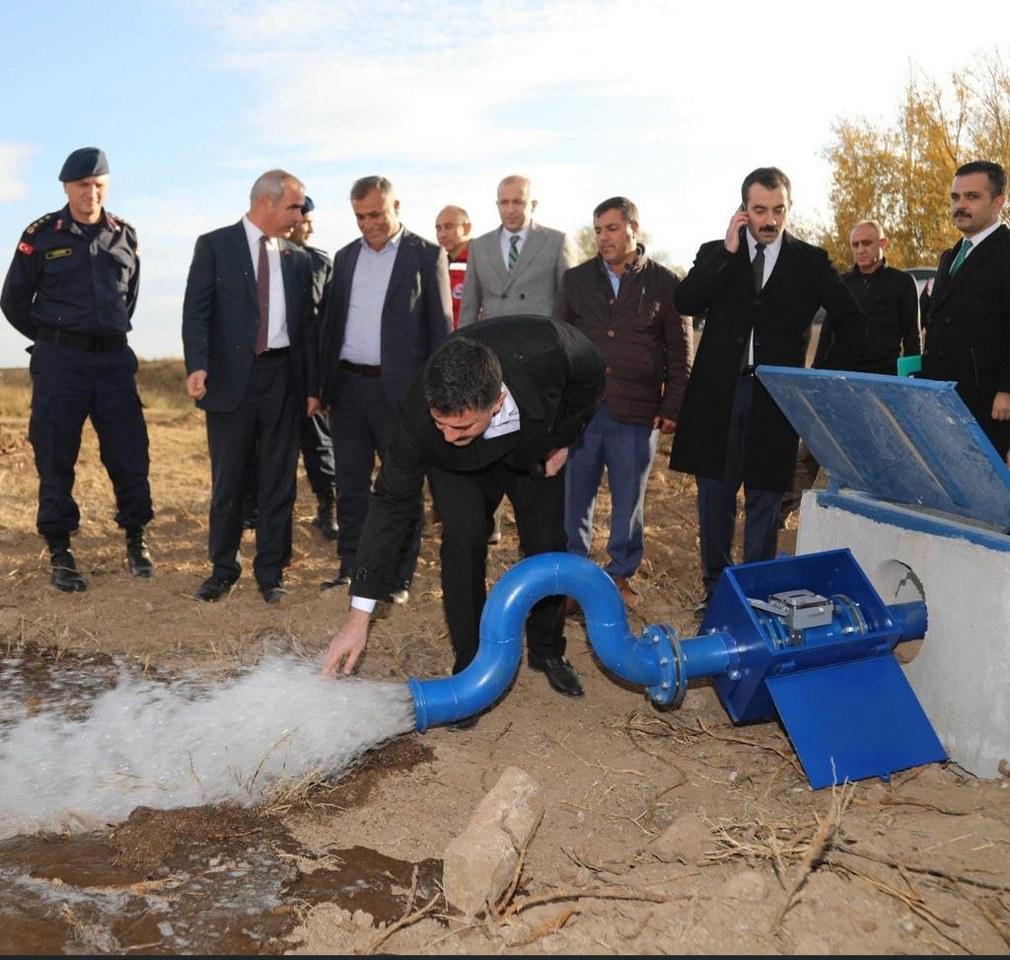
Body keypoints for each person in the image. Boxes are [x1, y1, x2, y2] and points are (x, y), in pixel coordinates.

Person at [321, 318, 604, 713]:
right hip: (455, 469)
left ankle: (547, 650)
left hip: (530, 452)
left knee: (547, 544)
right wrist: (358, 618)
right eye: (442, 424)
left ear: (497, 401)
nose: (450, 434)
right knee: (463, 539)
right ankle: (471, 669)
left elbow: (591, 379)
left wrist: (564, 439)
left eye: (462, 426)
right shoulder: (421, 422)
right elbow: (391, 505)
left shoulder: (551, 352)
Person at [670, 167, 865, 616]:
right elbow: (685, 303)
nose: (770, 219)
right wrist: (727, 250)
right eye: (760, 210)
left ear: (788, 208)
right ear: (743, 211)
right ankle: (716, 595)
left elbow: (851, 320)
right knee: (715, 498)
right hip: (719, 399)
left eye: (779, 209)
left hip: (776, 401)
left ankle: (754, 598)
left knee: (765, 500)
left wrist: (815, 381)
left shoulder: (810, 261)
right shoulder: (718, 254)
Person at [1, 147, 154, 592]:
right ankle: (60, 549)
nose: (91, 194)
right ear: (67, 188)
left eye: (98, 186)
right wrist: (53, 339)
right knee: (55, 454)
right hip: (60, 365)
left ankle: (136, 536)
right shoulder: (42, 235)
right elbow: (13, 301)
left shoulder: (124, 235)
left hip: (112, 363)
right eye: (82, 186)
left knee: (129, 452)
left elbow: (129, 300)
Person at [182, 169, 318, 604]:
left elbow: (309, 329)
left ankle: (271, 572)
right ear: (266, 203)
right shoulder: (215, 245)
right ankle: (223, 569)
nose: (299, 214)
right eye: (294, 205)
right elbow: (196, 313)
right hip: (229, 381)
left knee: (279, 481)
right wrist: (197, 366)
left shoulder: (298, 258)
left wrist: (313, 386)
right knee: (229, 481)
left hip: (283, 379)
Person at [318, 176, 452, 604]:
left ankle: (397, 577)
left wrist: (437, 395)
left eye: (375, 214)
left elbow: (440, 332)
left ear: (396, 205)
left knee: (401, 487)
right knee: (351, 485)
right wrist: (321, 386)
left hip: (402, 395)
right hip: (348, 390)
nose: (368, 224)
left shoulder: (426, 255)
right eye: (360, 217)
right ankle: (352, 570)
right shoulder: (344, 258)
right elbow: (330, 326)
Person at [554, 196, 692, 609]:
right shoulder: (576, 280)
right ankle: (576, 579)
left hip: (637, 412)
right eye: (598, 230)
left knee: (628, 501)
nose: (603, 237)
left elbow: (680, 354)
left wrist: (672, 408)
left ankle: (619, 575)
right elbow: (558, 343)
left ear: (634, 229)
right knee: (576, 498)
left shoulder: (666, 283)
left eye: (611, 228)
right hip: (583, 413)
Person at [781, 218, 920, 521]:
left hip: (880, 385)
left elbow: (912, 337)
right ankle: (776, 514)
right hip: (838, 381)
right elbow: (828, 333)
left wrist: (911, 387)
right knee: (810, 451)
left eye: (867, 243)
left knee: (875, 456)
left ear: (883, 244)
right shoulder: (842, 283)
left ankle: (873, 517)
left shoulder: (901, 284)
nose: (861, 250)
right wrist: (817, 376)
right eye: (855, 244)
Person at [243, 195, 338, 539]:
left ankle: (327, 506)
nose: (303, 225)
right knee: (259, 442)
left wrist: (324, 377)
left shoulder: (320, 264)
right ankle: (252, 507)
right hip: (269, 368)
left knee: (318, 441)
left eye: (307, 219)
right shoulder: (259, 256)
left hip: (309, 367)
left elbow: (329, 322)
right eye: (297, 217)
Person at [922, 160, 1010, 461]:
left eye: (972, 197)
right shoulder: (950, 256)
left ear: (999, 202)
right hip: (945, 394)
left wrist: (1007, 390)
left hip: (989, 401)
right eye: (955, 197)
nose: (961, 205)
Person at [458, 175, 576, 327]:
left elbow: (571, 302)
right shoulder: (478, 247)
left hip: (542, 342)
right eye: (504, 203)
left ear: (533, 205)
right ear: (497, 205)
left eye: (518, 202)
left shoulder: (557, 242)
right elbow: (469, 307)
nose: (510, 210)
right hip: (495, 343)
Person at [434, 205, 472, 330]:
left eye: (449, 227)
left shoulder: (482, 261)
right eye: (438, 229)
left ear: (466, 228)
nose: (442, 234)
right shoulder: (437, 265)